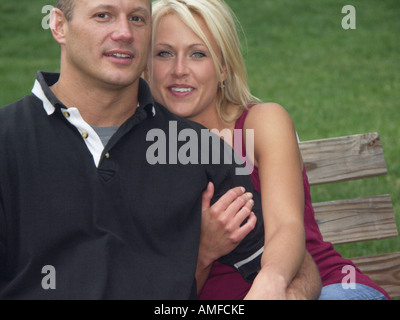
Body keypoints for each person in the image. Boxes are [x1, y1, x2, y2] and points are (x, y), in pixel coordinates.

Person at [0, 0, 265, 299]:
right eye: (104, 15)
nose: (124, 32)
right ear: (59, 25)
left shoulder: (198, 148)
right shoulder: (7, 140)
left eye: (138, 19)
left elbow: (291, 269)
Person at [147, 0, 390, 300]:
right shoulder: (141, 152)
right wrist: (203, 252)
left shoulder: (261, 123)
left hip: (323, 288)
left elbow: (286, 227)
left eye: (198, 54)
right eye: (164, 53)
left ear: (224, 68)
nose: (179, 70)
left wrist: (270, 282)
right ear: (146, 67)